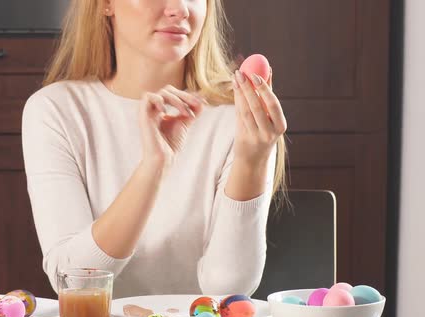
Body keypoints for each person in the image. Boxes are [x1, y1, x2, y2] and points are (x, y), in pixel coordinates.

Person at [22, 0, 287, 299]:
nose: (179, 9)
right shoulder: (57, 110)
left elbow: (228, 289)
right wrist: (153, 167)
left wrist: (253, 161)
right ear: (106, 4)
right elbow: (74, 282)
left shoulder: (238, 117)